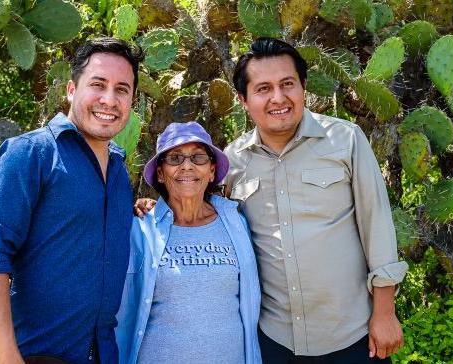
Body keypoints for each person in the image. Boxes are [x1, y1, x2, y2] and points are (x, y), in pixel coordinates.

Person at [135, 37, 408, 363]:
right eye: (263, 88)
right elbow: (202, 205)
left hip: (352, 334)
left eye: (287, 84)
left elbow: (377, 225)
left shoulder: (346, 140)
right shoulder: (234, 160)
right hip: (275, 340)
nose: (278, 98)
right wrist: (157, 209)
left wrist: (385, 312)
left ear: (303, 87)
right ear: (243, 99)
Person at [0, 37, 144, 364]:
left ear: (132, 100)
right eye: (98, 85)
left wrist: (138, 211)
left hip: (104, 354)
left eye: (122, 89)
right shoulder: (30, 154)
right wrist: (6, 356)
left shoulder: (118, 170)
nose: (109, 99)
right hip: (35, 355)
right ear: (72, 90)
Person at [116, 122, 262, 364]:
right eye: (174, 158)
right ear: (161, 173)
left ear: (212, 171)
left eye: (198, 157)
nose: (187, 165)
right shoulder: (140, 229)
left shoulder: (237, 222)